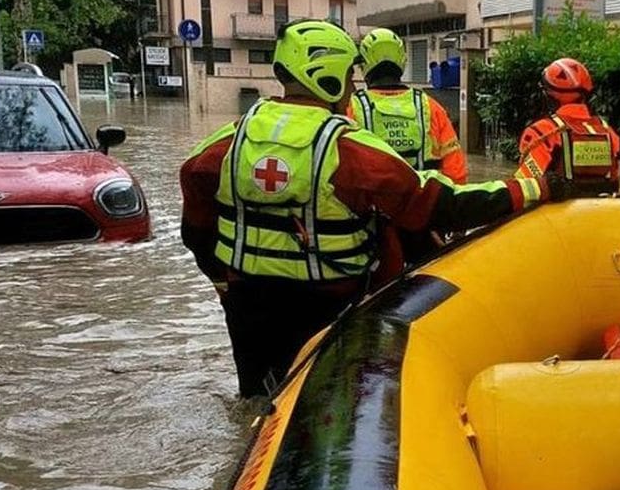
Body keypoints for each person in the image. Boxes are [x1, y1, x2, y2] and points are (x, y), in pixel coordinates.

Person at [180, 20, 551, 398]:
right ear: (330, 79)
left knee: (257, 401)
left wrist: (224, 282)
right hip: (330, 307)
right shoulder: (350, 152)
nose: (353, 87)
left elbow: (195, 230)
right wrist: (533, 188)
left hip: (249, 309)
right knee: (334, 401)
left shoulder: (223, 145)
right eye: (348, 76)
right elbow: (444, 203)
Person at [350, 28, 467, 184]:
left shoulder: (351, 108)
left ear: (364, 65)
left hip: (371, 206)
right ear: (402, 61)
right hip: (424, 204)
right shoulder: (431, 107)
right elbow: (455, 170)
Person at [514, 57, 620, 195]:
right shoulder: (608, 131)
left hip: (557, 213)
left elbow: (526, 185)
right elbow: (615, 179)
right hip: (601, 211)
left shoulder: (542, 132)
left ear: (549, 95)